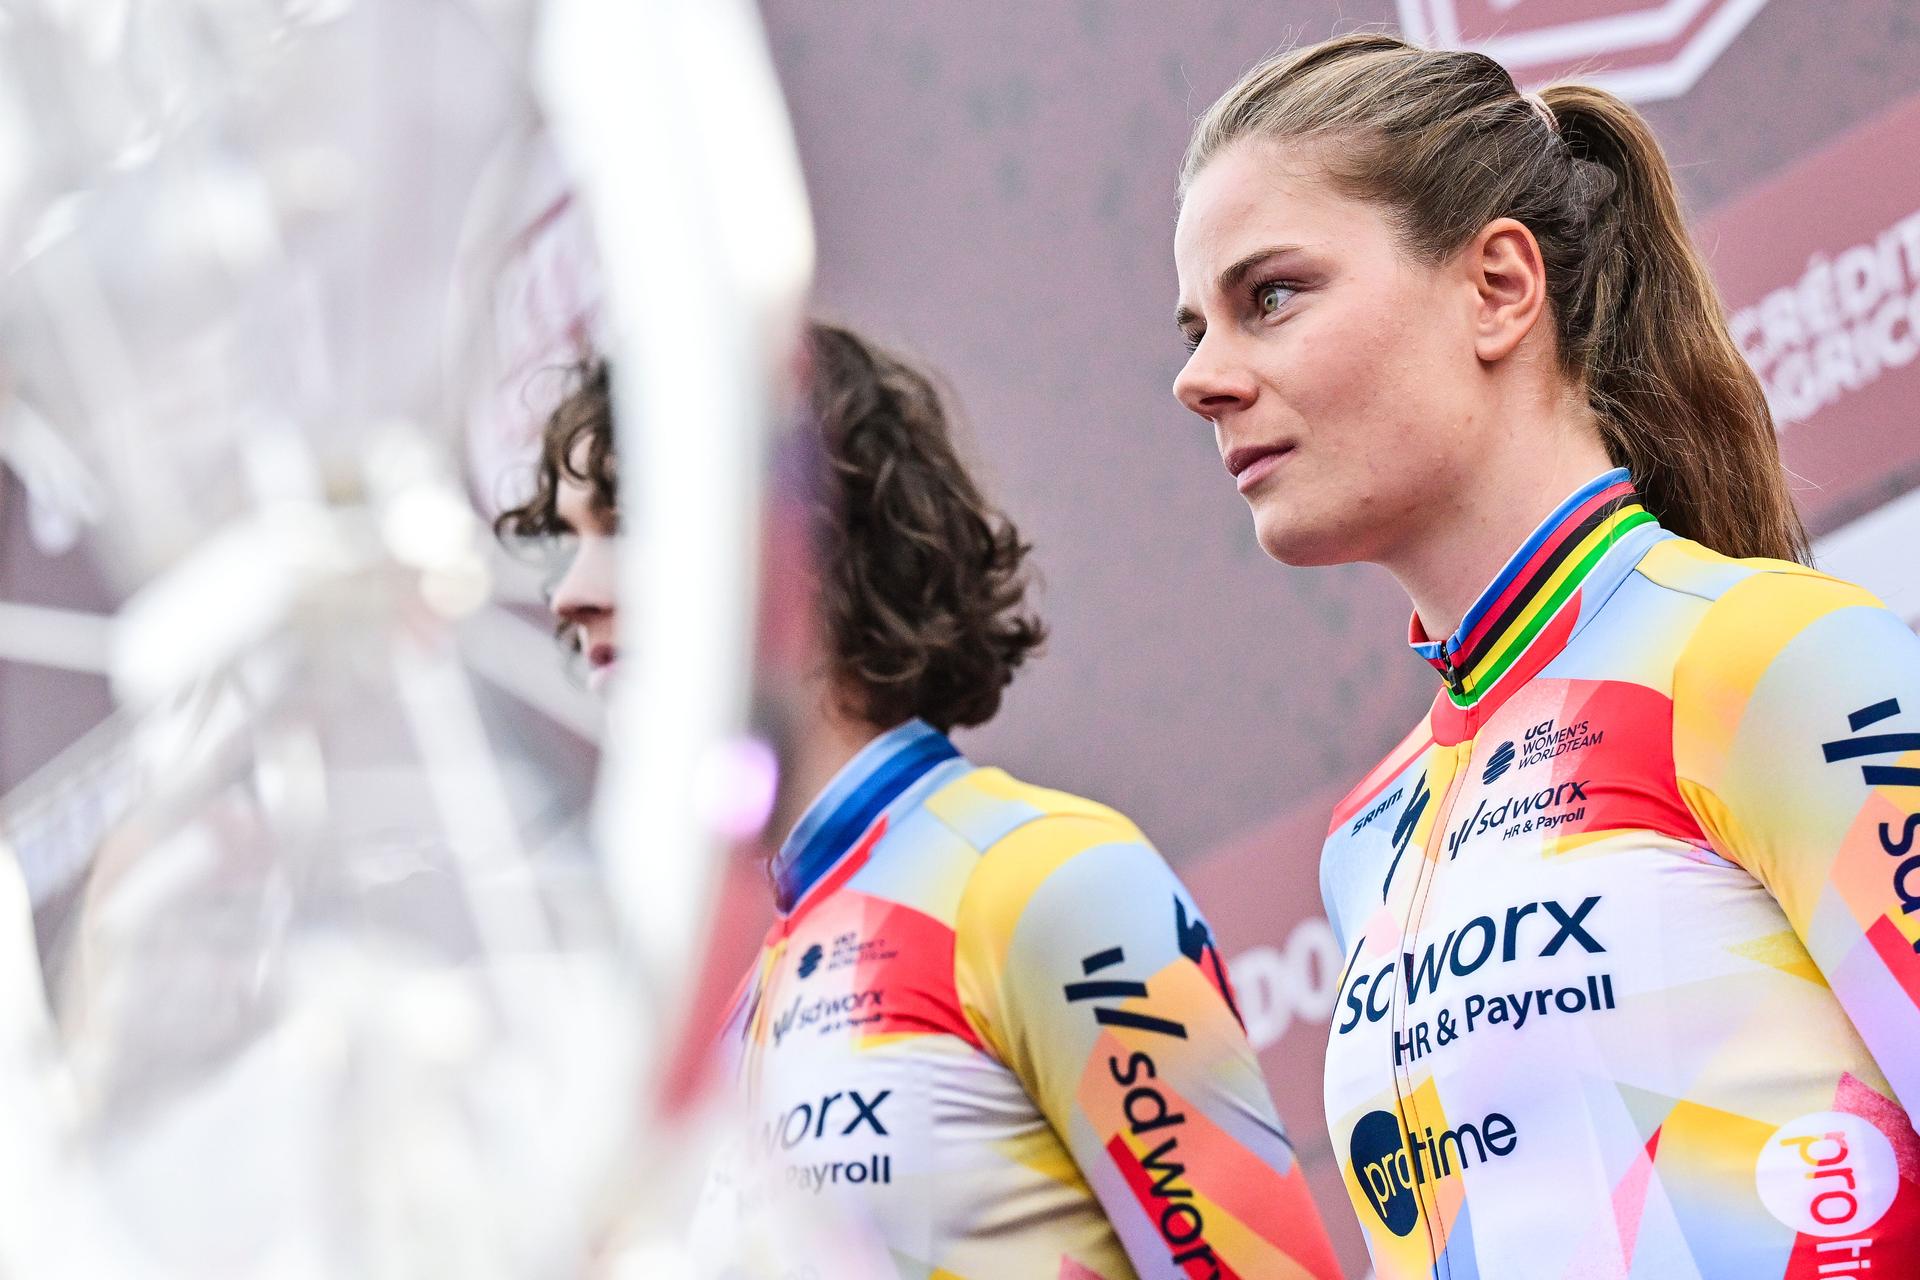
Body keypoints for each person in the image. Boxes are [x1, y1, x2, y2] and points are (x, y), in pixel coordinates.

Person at [1170, 31, 1920, 1279]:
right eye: (1197, 326)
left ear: (1500, 286)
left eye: (1273, 295)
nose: (1200, 378)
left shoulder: (1769, 656)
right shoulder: (1369, 838)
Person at [498, 324, 1341, 1279]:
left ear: (799, 538)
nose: (570, 595)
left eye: (628, 521)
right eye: (567, 542)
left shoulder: (1038, 875)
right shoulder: (689, 987)